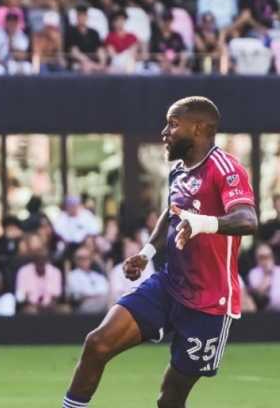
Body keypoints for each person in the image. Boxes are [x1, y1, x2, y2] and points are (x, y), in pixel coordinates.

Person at [63, 97, 258, 408]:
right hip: (169, 285)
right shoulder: (178, 172)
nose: (165, 131)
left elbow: (248, 220)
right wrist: (146, 252)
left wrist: (202, 223)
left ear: (197, 128)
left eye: (173, 123)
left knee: (170, 400)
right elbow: (172, 213)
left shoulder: (225, 168)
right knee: (97, 344)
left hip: (210, 303)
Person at [66, 246, 110, 314]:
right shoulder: (72, 275)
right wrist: (94, 295)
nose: (84, 260)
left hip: (102, 307)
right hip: (83, 308)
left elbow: (105, 291)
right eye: (80, 258)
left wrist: (92, 295)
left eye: (87, 257)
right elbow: (78, 294)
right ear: (75, 260)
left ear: (91, 259)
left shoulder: (98, 276)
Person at [248, 243, 279, 311]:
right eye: (262, 257)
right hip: (265, 313)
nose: (265, 260)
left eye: (268, 256)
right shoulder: (254, 273)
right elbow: (259, 295)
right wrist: (267, 273)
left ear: (272, 257)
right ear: (257, 259)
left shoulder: (278, 271)